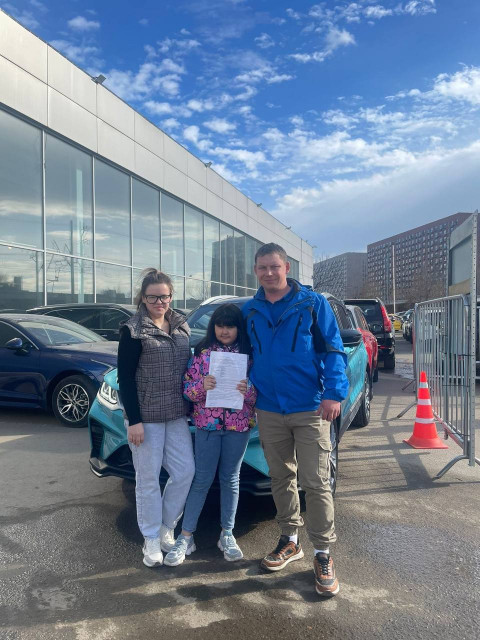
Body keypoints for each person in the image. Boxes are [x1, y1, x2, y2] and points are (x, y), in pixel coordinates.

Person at [242, 243, 348, 597]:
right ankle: (290, 539)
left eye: (274, 266)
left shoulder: (312, 304)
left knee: (315, 481)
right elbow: (241, 354)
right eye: (262, 267)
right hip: (269, 408)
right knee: (280, 476)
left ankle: (322, 553)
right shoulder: (250, 310)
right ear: (255, 271)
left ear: (286, 267)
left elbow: (333, 348)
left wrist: (334, 392)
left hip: (310, 407)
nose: (269, 273)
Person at [164, 303, 257, 566]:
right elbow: (187, 391)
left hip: (238, 426)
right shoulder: (202, 354)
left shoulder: (250, 356)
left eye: (230, 326)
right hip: (207, 426)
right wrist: (201, 386)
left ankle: (227, 533)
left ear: (239, 328)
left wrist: (248, 390)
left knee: (231, 479)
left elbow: (259, 395)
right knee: (201, 479)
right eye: (220, 325)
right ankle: (186, 536)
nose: (225, 331)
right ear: (213, 327)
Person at [117, 268, 195, 568]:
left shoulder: (181, 325)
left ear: (171, 296)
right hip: (146, 418)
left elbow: (192, 366)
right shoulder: (133, 330)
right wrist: (134, 420)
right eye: (153, 297)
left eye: (164, 296)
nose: (159, 302)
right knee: (147, 479)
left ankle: (166, 527)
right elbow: (125, 378)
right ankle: (150, 537)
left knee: (185, 471)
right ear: (143, 298)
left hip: (176, 415)